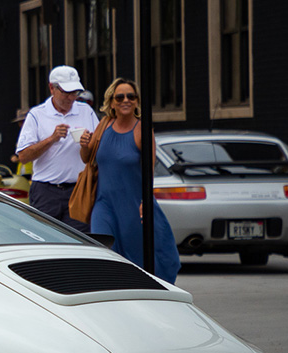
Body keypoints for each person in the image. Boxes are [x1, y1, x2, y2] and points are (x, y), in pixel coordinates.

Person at [81, 78, 180, 283]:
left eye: (131, 96)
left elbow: (149, 169)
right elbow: (87, 159)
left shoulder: (142, 130)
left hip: (133, 204)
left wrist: (146, 199)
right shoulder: (104, 125)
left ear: (136, 102)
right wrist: (83, 145)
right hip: (104, 202)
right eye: (120, 97)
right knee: (103, 249)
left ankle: (143, 290)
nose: (126, 100)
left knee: (139, 257)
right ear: (112, 102)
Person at [15, 65, 100, 229]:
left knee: (79, 242)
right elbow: (23, 156)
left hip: (78, 190)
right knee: (46, 240)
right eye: (66, 92)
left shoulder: (86, 111)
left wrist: (88, 144)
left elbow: (99, 147)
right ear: (51, 88)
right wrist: (51, 139)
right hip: (45, 192)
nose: (70, 98)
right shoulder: (37, 115)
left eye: (74, 92)